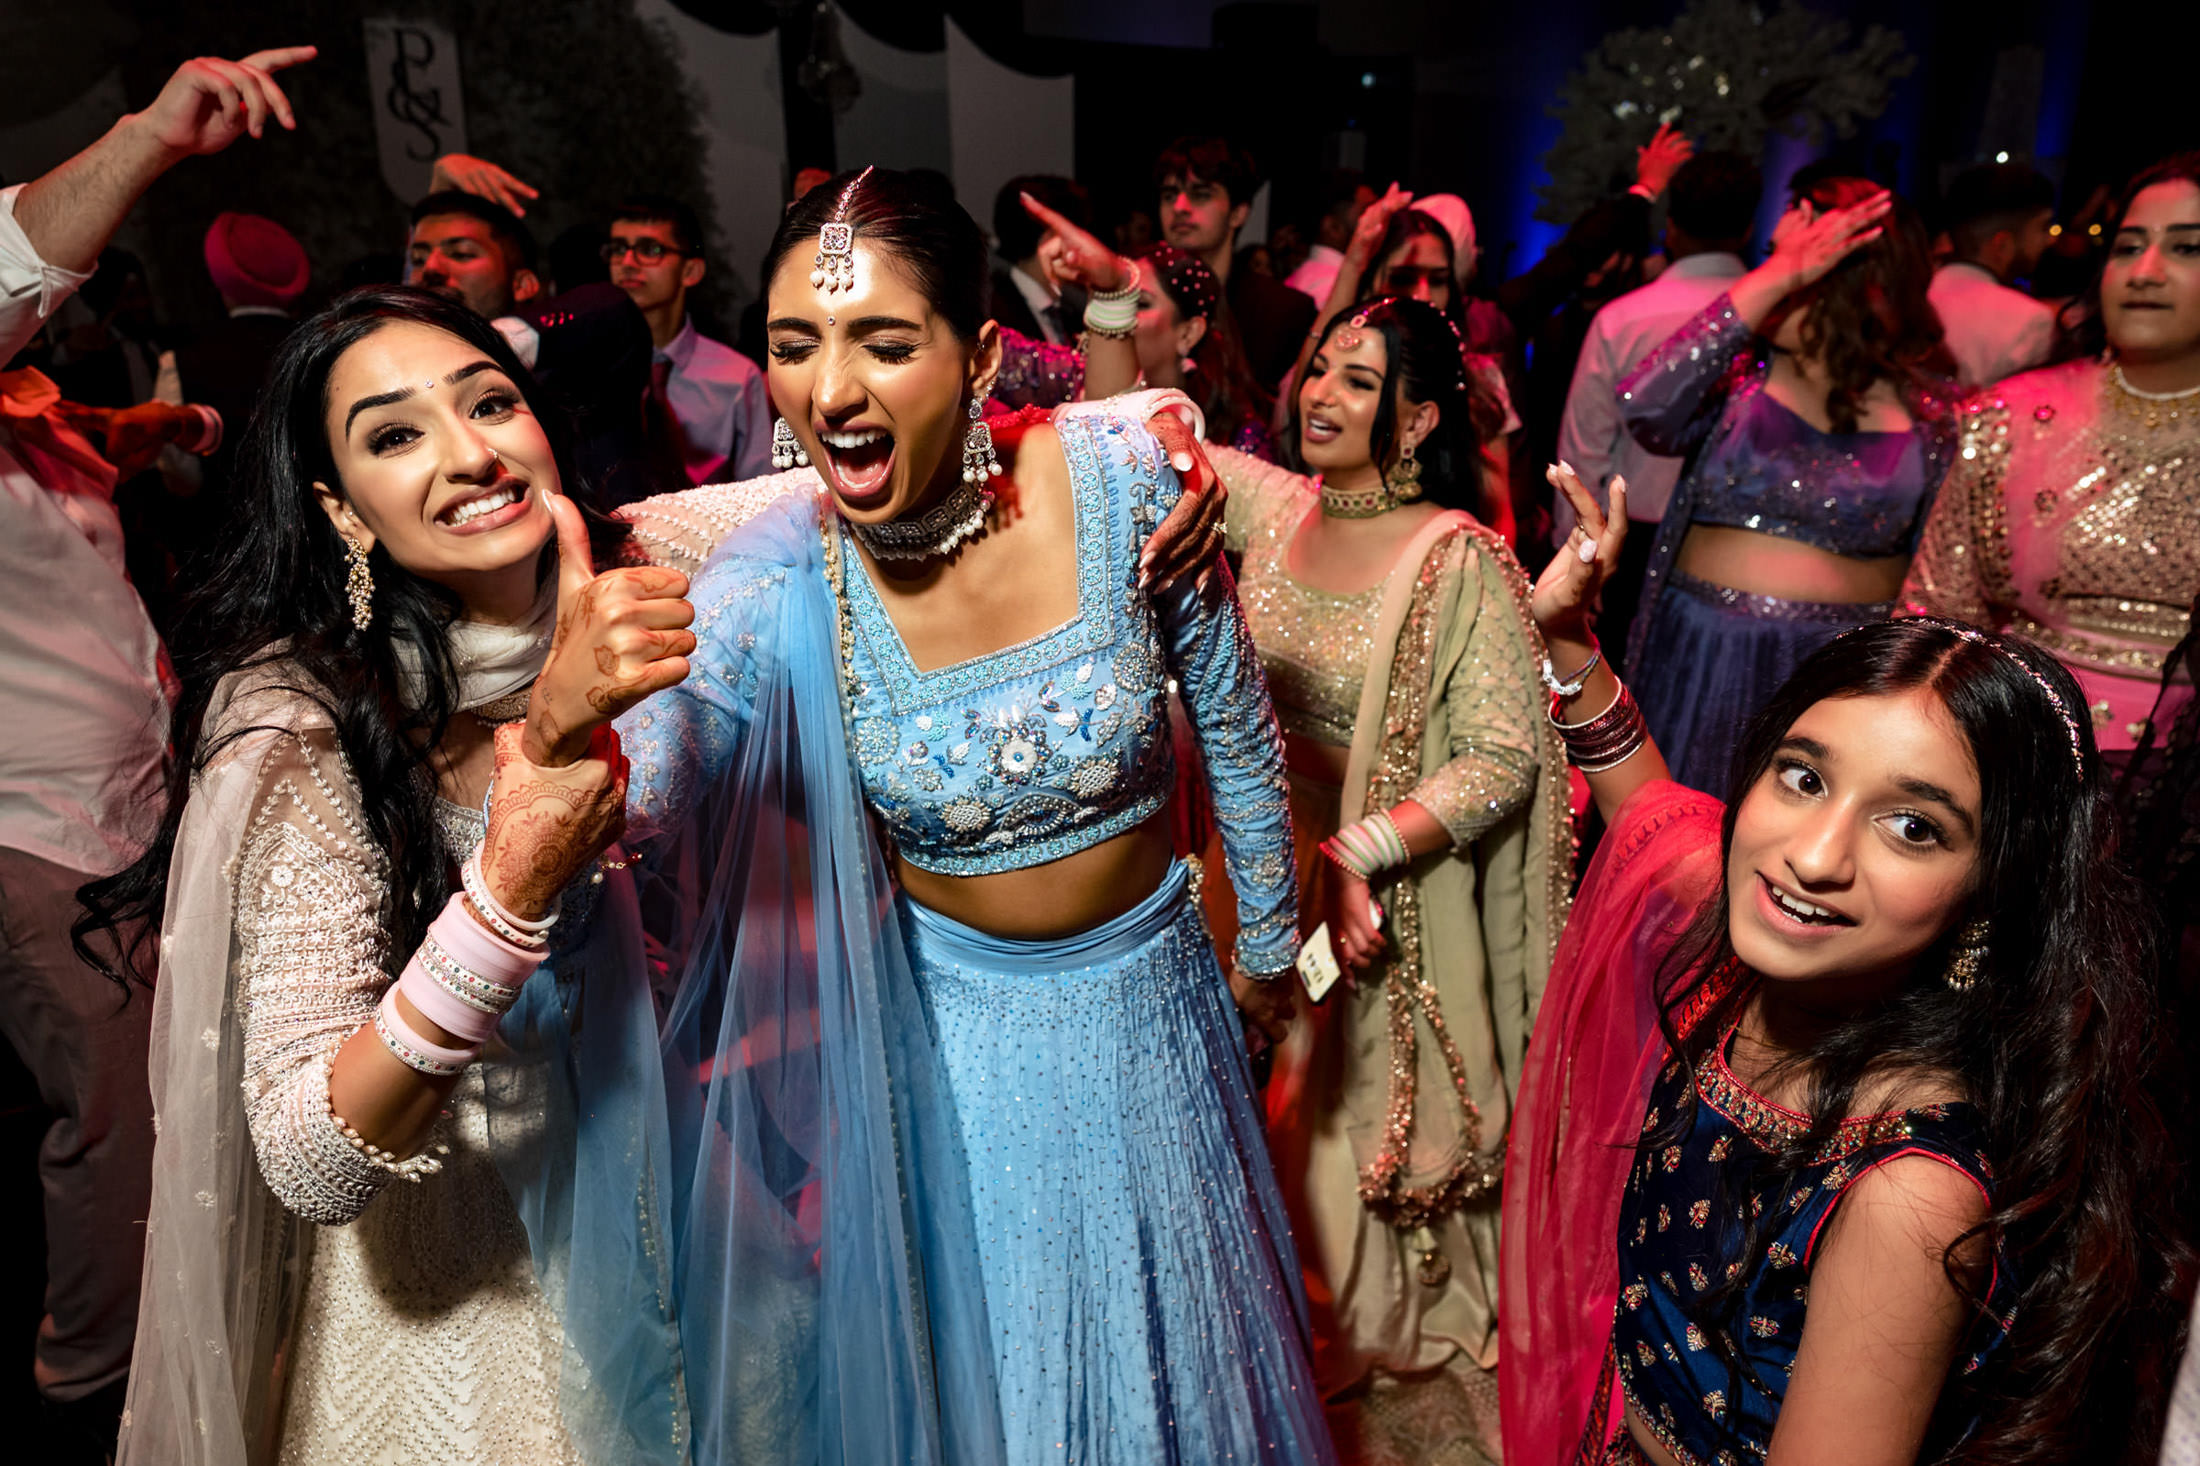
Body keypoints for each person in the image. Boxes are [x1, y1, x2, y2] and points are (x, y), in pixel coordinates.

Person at [541, 165, 1334, 1465]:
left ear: (978, 357)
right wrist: (568, 718)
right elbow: (650, 798)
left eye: (883, 341)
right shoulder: (775, 576)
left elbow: (1239, 726)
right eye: (794, 343)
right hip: (958, 1056)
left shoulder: (1129, 478)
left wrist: (1262, 965)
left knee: (1176, 1375)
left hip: (1157, 1012)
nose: (830, 388)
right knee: (1006, 1392)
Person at [75, 277, 702, 1466]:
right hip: (464, 1296)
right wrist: (506, 893)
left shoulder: (645, 567)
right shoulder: (302, 724)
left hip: (680, 1202)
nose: (470, 454)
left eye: (491, 402)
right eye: (397, 435)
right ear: (341, 508)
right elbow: (306, 1157)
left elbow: (854, 487)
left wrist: (1082, 400)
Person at [1502, 464, 2189, 1465]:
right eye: (1803, 776)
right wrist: (1566, 638)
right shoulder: (1766, 945)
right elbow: (1646, 810)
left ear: (1993, 892)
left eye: (1912, 826)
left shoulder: (1907, 1199)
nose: (1815, 855)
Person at [0, 45, 315, 1464]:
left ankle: (199, 1343)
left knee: (183, 1084)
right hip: (37, 833)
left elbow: (83, 443)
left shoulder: (31, 406)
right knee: (118, 1119)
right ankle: (91, 1385)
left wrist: (159, 425)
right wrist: (145, 139)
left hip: (133, 802)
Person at [1198, 295, 1569, 1462]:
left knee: (1319, 1118)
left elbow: (1504, 756)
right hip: (1251, 863)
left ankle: (1336, 1315)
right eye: (1319, 368)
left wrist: (1363, 849)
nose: (1321, 394)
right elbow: (1143, 433)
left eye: (1357, 380)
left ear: (1414, 420)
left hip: (1368, 883)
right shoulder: (1277, 508)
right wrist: (1114, 296)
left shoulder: (1456, 555)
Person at [1620, 177, 1959, 794]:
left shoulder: (1936, 418)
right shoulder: (1735, 382)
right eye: (1771, 259)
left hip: (1843, 678)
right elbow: (1644, 406)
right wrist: (1775, 277)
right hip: (1705, 661)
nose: (1772, 277)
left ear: (1853, 281)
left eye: (1797, 263)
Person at [1903, 152, 2200, 762]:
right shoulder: (2011, 415)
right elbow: (1933, 619)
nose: (2144, 272)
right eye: (2127, 248)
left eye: (2187, 248)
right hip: (2018, 757)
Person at [1556, 150, 1763, 664]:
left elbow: (1584, 451)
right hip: (1748, 550)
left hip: (1632, 544)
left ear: (1670, 227)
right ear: (1747, 229)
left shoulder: (1622, 318)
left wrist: (1577, 559)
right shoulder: (1778, 318)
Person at [408, 177, 658, 506]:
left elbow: (610, 308)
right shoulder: (407, 385)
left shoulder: (569, 366)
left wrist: (480, 345)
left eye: (461, 254)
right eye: (418, 258)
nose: (430, 268)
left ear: (523, 284)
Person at [607, 193, 773, 485]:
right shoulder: (593, 370)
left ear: (691, 271)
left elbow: (763, 489)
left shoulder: (737, 377)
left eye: (650, 249)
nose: (627, 262)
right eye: (618, 249)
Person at [1156, 135, 1317, 388]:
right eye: (1169, 196)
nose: (1179, 207)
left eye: (1200, 195)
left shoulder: (1281, 311)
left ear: (1238, 213)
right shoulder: (1142, 299)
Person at [1928, 162, 2059, 389]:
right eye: (2042, 227)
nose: (2049, 240)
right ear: (2002, 244)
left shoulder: (1916, 296)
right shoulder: (2029, 321)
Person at [988, 173, 1088, 345]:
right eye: (1077, 234)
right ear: (1052, 239)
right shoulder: (997, 314)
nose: (1085, 248)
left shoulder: (1067, 311)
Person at [1284, 170, 1374, 308]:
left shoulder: (1305, 274)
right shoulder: (1331, 286)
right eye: (1365, 212)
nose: (1379, 222)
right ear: (1333, 227)